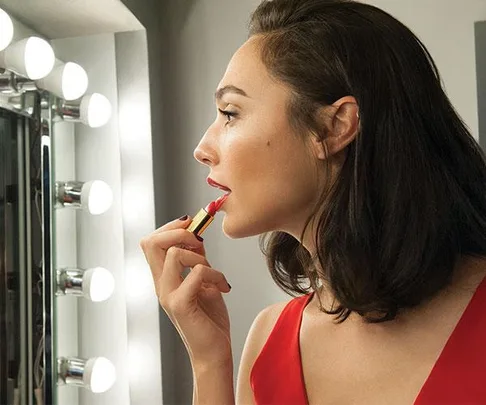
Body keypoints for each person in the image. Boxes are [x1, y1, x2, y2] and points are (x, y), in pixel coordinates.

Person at [140, 0, 486, 403]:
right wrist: (209, 362)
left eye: (230, 112)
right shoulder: (268, 343)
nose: (202, 148)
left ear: (334, 126)